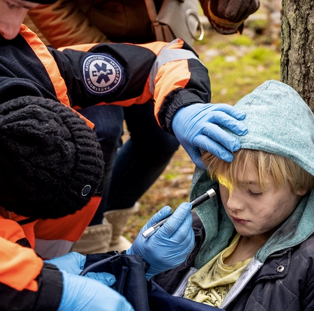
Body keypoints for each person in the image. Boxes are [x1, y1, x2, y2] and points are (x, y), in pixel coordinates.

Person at [0, 0, 246, 310]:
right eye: (11, 3)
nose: (10, 28)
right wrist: (52, 291)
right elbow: (3, 284)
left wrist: (184, 105)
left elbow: (162, 58)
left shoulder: (42, 73)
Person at [25, 0, 261, 253]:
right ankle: (86, 244)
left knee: (160, 138)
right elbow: (48, 7)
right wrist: (110, 57)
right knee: (99, 132)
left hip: (152, 41)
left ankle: (109, 230)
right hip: (73, 38)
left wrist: (222, 9)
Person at [150, 80, 314, 310]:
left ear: (302, 182)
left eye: (254, 191)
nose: (233, 204)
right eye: (224, 183)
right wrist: (141, 265)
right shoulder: (193, 232)